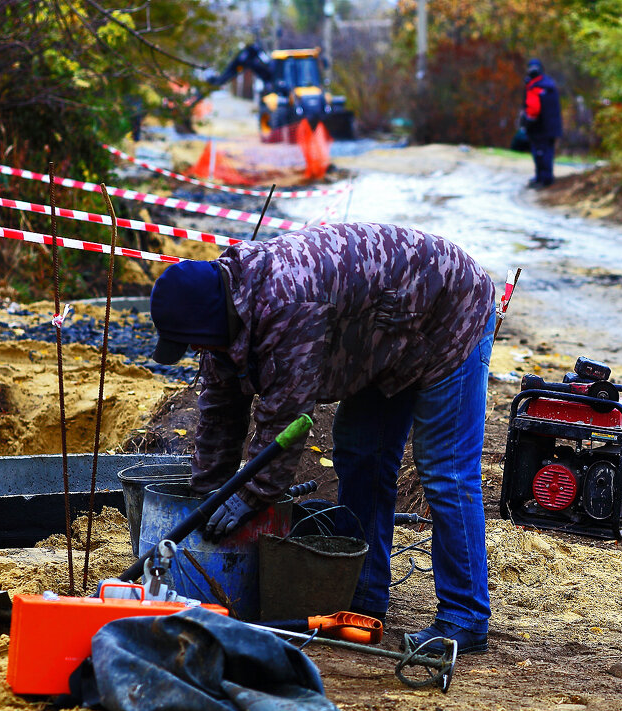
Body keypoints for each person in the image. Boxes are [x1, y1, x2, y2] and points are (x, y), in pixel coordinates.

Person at [148, 223, 496, 656]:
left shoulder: (287, 301)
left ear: (213, 322)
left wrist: (249, 495)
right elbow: (220, 410)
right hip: (384, 330)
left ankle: (464, 618)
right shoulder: (225, 309)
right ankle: (364, 597)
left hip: (448, 311)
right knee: (360, 455)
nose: (200, 352)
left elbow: (287, 416)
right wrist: (205, 496)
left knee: (446, 471)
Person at [520, 58, 563, 188]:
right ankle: (543, 177)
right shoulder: (548, 84)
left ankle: (544, 179)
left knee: (540, 153)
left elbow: (533, 110)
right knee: (545, 152)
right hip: (551, 127)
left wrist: (526, 123)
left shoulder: (536, 87)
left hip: (540, 128)